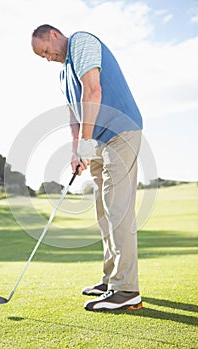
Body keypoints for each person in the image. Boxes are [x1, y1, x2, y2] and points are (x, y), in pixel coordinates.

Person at [31, 24, 143, 312]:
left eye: (45, 50)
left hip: (120, 133)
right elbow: (75, 116)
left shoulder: (82, 42)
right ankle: (112, 280)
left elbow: (93, 91)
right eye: (41, 56)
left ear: (54, 35)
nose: (47, 58)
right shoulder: (62, 74)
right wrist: (76, 151)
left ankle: (127, 289)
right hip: (96, 141)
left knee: (118, 210)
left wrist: (85, 145)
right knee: (104, 213)